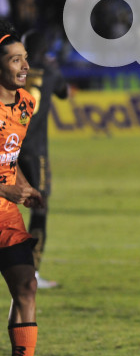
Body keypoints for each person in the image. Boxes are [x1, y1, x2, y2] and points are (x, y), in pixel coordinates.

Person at [0, 20, 54, 356]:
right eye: (16, 59)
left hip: (5, 215)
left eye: (25, 58)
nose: (24, 66)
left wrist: (24, 187)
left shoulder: (25, 104)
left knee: (26, 286)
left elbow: (9, 158)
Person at [18, 30, 69, 289]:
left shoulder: (11, 70)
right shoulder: (50, 71)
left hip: (8, 146)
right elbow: (64, 92)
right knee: (40, 208)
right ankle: (32, 274)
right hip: (35, 151)